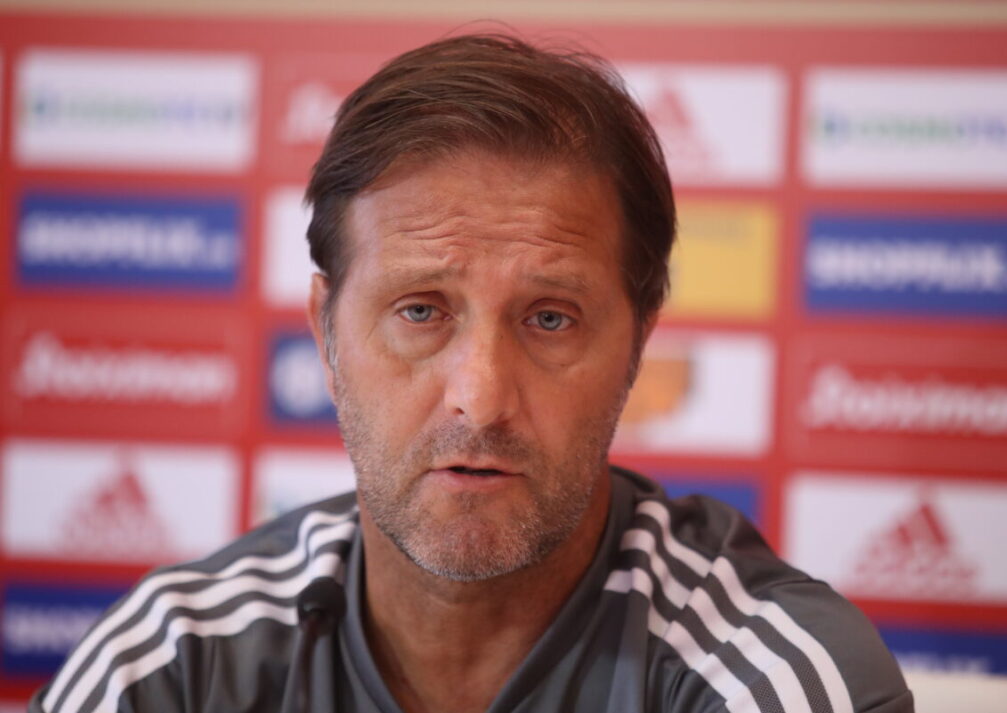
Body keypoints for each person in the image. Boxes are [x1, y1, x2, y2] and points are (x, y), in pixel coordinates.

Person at [31, 34, 913, 713]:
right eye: (421, 310)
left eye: (550, 318)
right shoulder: (174, 667)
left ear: (639, 344)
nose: (480, 398)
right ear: (326, 334)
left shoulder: (767, 676)